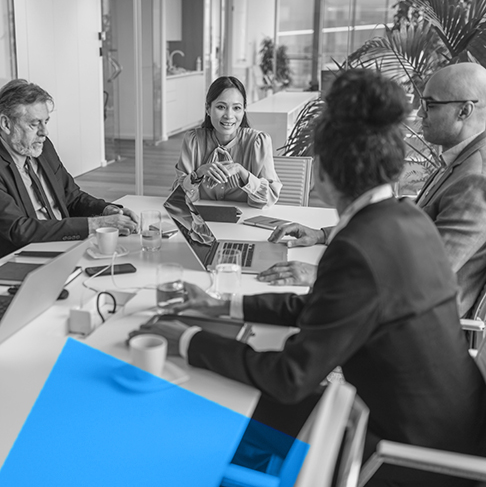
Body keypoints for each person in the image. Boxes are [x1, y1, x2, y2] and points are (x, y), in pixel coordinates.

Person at [131, 69, 486, 487]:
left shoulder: (357, 247)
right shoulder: (405, 218)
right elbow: (325, 309)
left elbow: (290, 376)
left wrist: (186, 340)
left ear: (323, 176)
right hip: (451, 422)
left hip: (410, 455)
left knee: (205, 411)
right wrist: (220, 305)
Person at [259, 63, 486, 320]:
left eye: (430, 105)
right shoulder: (461, 159)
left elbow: (427, 273)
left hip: (413, 319)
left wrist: (323, 274)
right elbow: (400, 221)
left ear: (464, 111)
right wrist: (322, 234)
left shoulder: (476, 178)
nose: (420, 113)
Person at [0, 79, 138, 257]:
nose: (44, 132)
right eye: (34, 124)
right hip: (23, 256)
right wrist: (97, 225)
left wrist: (107, 210)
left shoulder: (42, 147)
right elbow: (19, 229)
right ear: (5, 124)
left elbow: (71, 196)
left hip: (66, 245)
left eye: (46, 122)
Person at [173, 76, 281, 208]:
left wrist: (242, 172)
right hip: (202, 222)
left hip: (244, 224)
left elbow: (269, 198)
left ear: (244, 109)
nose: (229, 116)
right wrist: (198, 174)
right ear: (208, 109)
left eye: (236, 108)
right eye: (221, 107)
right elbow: (178, 197)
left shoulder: (258, 142)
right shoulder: (193, 141)